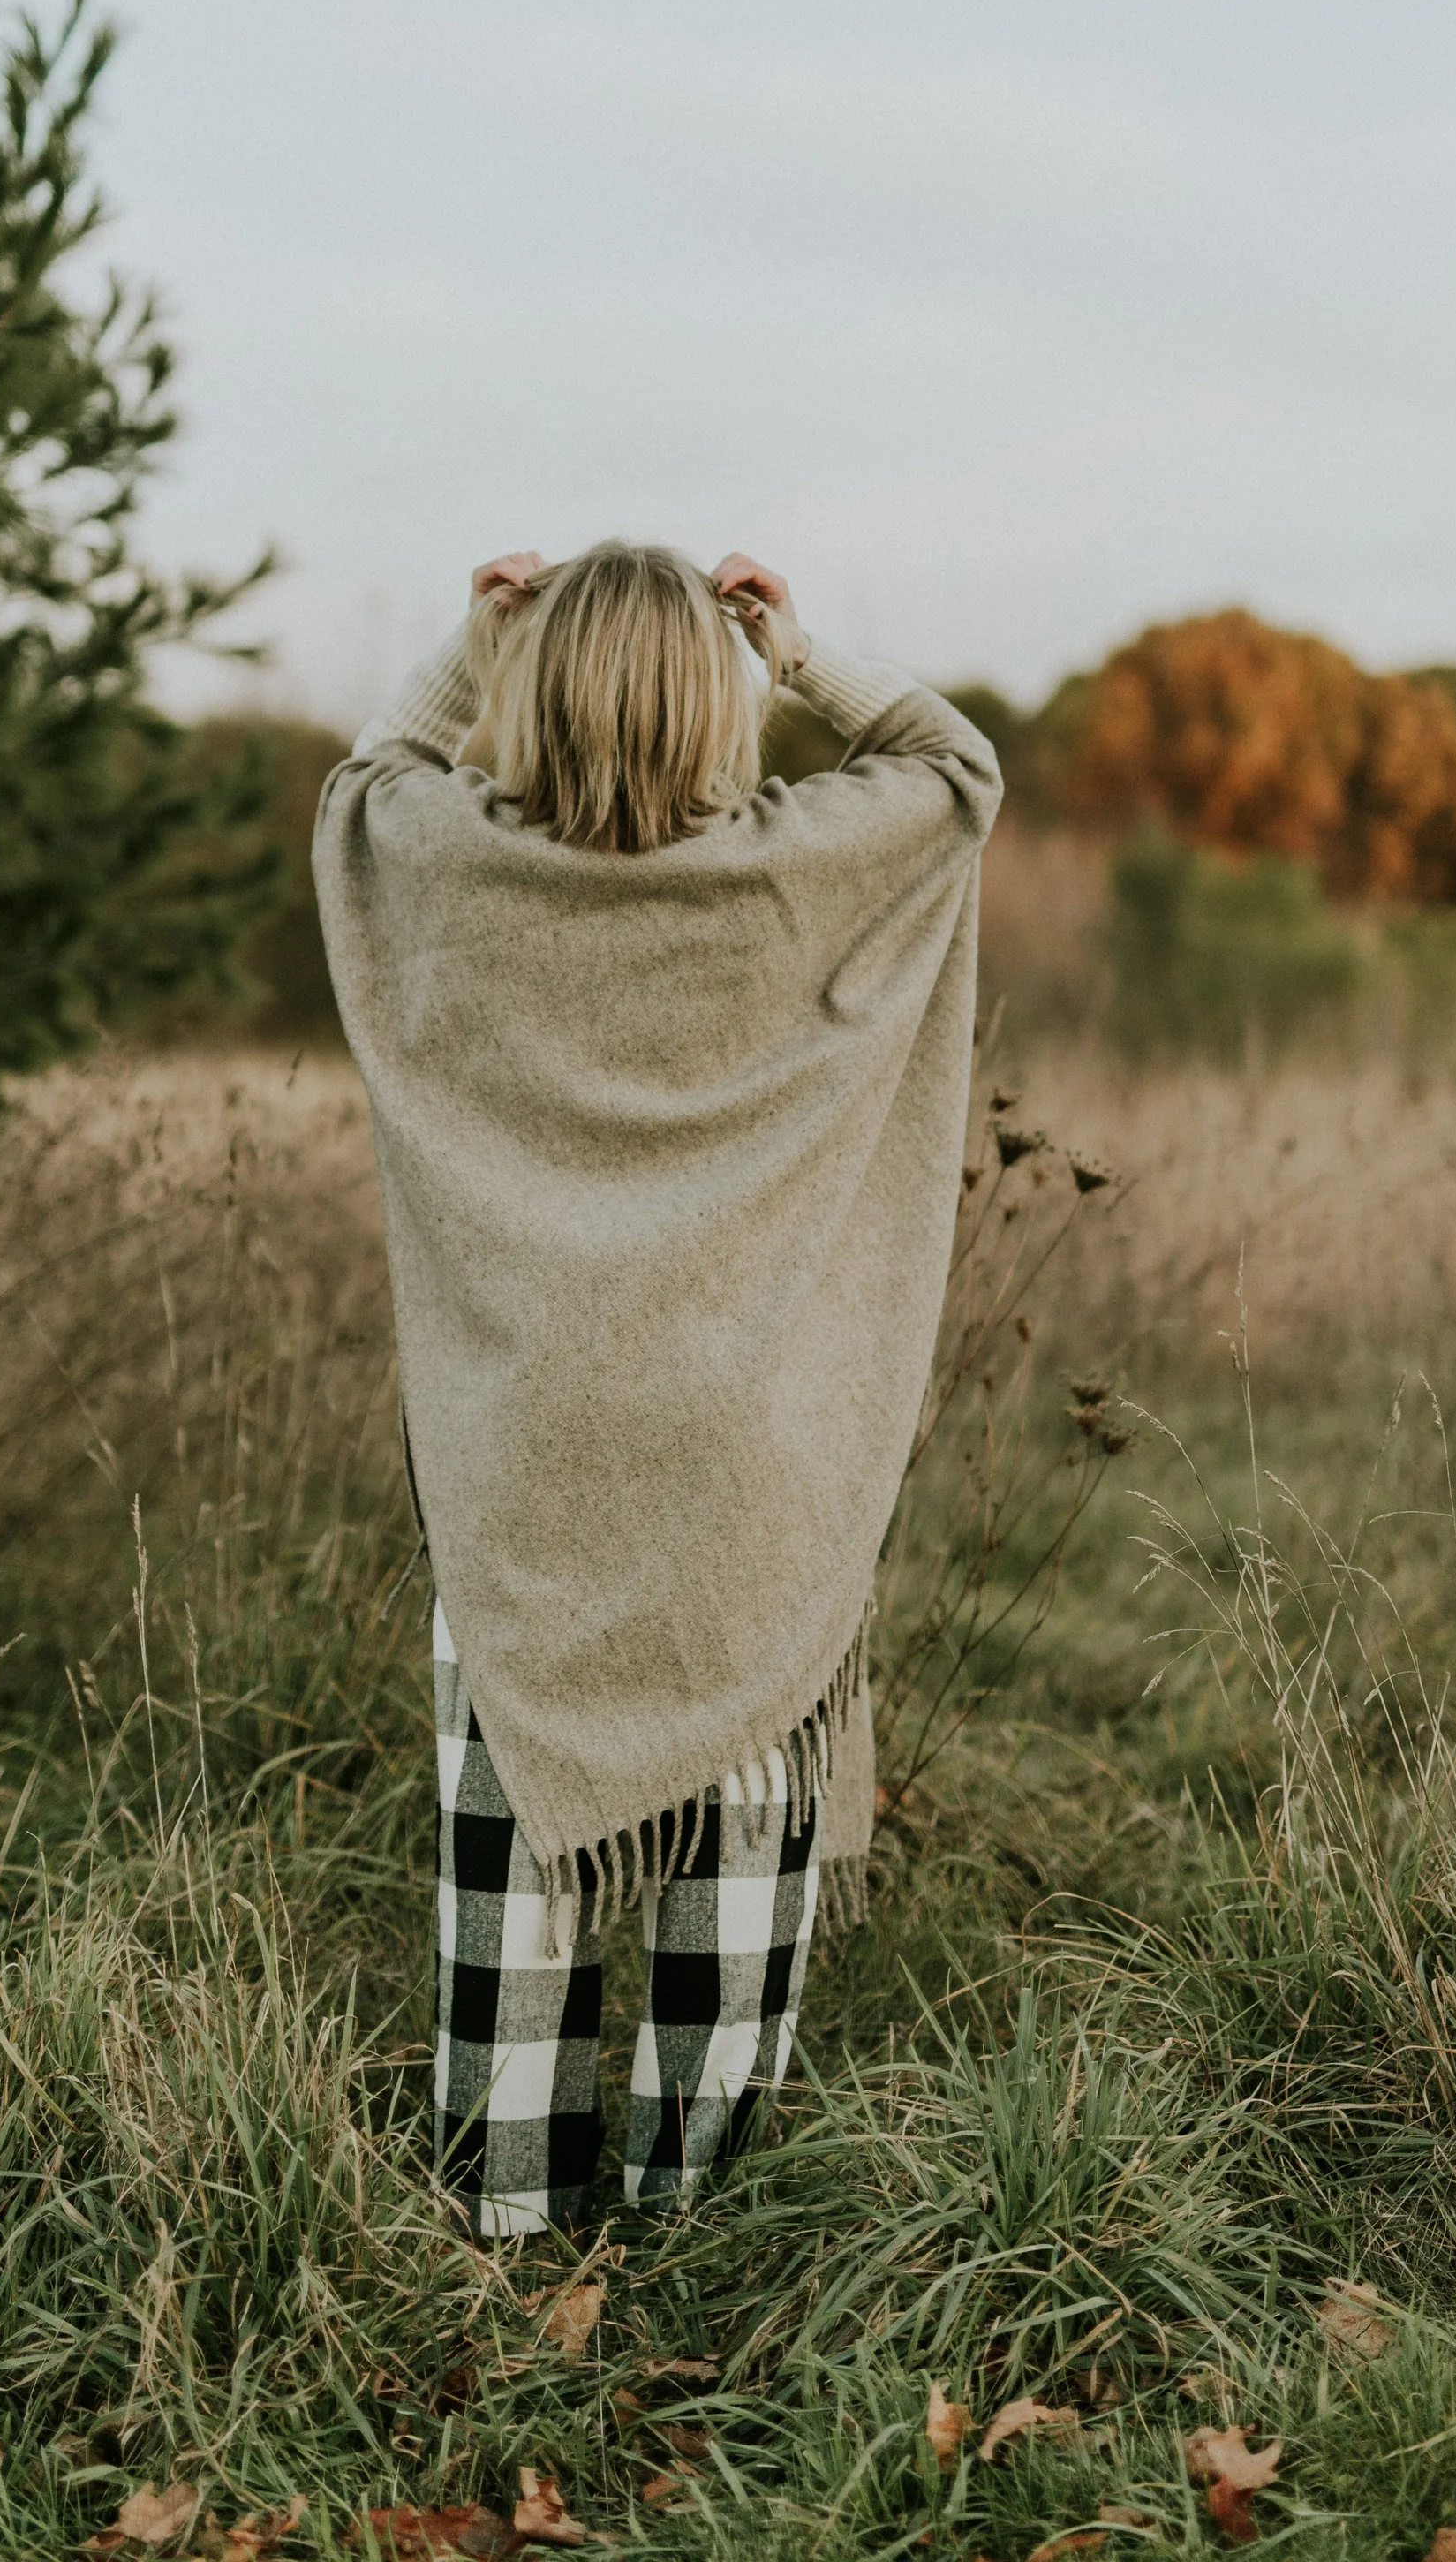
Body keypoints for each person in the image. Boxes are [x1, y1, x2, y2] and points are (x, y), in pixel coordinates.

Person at [313, 541, 1001, 2236]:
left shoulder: (452, 863)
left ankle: (509, 2217)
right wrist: (803, 649)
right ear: (723, 698)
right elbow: (955, 769)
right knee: (741, 1876)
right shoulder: (800, 870)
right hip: (762, 1459)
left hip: (522, 1466)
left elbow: (362, 786)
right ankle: (695, 2229)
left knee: (522, 1867)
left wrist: (474, 651)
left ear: (530, 697)